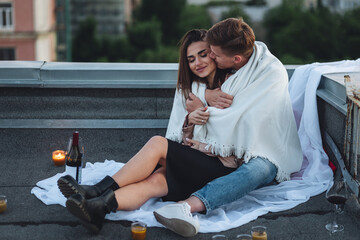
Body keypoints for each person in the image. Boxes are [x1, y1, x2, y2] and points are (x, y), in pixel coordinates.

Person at [57, 29, 238, 236]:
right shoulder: (194, 89)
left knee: (158, 144)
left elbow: (232, 130)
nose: (198, 62)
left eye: (203, 54)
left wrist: (203, 109)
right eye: (191, 59)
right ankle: (98, 208)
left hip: (222, 167)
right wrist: (191, 118)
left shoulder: (232, 83)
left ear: (214, 52)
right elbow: (183, 138)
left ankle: (96, 190)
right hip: (196, 164)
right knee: (154, 183)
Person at [153, 17, 303, 237]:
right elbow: (220, 104)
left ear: (236, 59)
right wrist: (204, 98)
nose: (210, 56)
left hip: (268, 145)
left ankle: (186, 206)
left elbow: (244, 118)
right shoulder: (232, 70)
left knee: (260, 169)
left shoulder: (269, 73)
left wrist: (200, 109)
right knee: (157, 168)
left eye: (214, 54)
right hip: (232, 149)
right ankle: (107, 194)